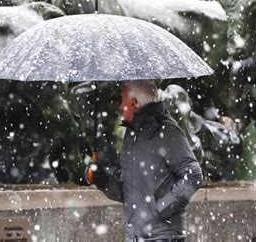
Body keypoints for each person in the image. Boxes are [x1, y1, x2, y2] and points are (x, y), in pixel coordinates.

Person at [86, 80, 203, 241]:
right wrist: (104, 180)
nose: (120, 107)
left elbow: (193, 175)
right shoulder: (131, 135)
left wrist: (160, 209)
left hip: (162, 237)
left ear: (134, 103)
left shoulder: (167, 130)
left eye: (123, 100)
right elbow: (129, 190)